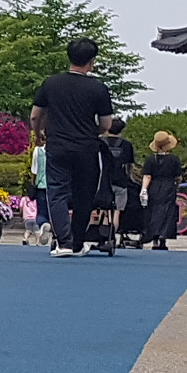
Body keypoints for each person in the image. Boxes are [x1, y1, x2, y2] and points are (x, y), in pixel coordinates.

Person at [30, 38, 116, 257]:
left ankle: (64, 242)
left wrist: (39, 134)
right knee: (84, 195)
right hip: (87, 147)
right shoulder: (98, 88)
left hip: (57, 146)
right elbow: (106, 124)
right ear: (92, 61)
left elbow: (35, 115)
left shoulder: (51, 83)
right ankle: (77, 243)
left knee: (56, 192)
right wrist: (93, 131)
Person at [101, 118, 141, 247]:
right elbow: (129, 165)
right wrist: (130, 178)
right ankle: (112, 237)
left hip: (103, 181)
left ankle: (103, 236)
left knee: (104, 210)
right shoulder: (126, 145)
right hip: (120, 181)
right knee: (117, 211)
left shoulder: (100, 143)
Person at [143, 131, 185, 251]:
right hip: (168, 186)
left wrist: (144, 189)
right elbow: (178, 176)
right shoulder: (174, 159)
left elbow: (147, 176)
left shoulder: (150, 159)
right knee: (167, 212)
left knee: (154, 211)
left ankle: (154, 237)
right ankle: (163, 236)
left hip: (154, 186)